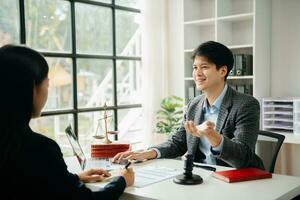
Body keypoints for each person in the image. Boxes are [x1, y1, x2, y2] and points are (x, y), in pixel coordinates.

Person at [0, 44, 134, 200]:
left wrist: (72, 178)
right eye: (47, 83)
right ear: (32, 89)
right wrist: (121, 180)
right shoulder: (41, 149)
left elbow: (28, 183)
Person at [113, 41, 264, 170]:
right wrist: (149, 153)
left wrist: (213, 136)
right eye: (195, 67)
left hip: (237, 180)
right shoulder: (194, 104)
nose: (197, 73)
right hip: (202, 177)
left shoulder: (246, 104)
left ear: (222, 71)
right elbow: (178, 142)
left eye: (204, 67)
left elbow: (243, 156)